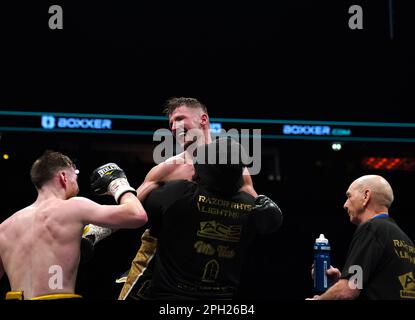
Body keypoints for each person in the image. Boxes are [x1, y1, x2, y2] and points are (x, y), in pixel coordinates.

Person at [81, 97, 259, 299]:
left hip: (212, 252)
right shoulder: (169, 168)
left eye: (180, 118)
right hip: (161, 254)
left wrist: (267, 210)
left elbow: (256, 206)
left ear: (203, 119)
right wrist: (94, 233)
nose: (174, 127)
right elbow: (133, 207)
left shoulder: (232, 165)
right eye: (171, 123)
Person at [137, 138, 282, 299]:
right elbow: (271, 223)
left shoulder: (177, 194)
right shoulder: (251, 208)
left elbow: (136, 213)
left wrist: (119, 186)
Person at [0, 151, 147, 300]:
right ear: (63, 177)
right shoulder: (74, 206)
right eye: (75, 177)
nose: (77, 184)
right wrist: (118, 184)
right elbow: (137, 215)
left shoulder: (5, 227)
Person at [308, 175, 415, 300]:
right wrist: (341, 280)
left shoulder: (371, 228)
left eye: (349, 196)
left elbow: (348, 291)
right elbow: (384, 287)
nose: (345, 205)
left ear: (366, 196)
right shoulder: (406, 241)